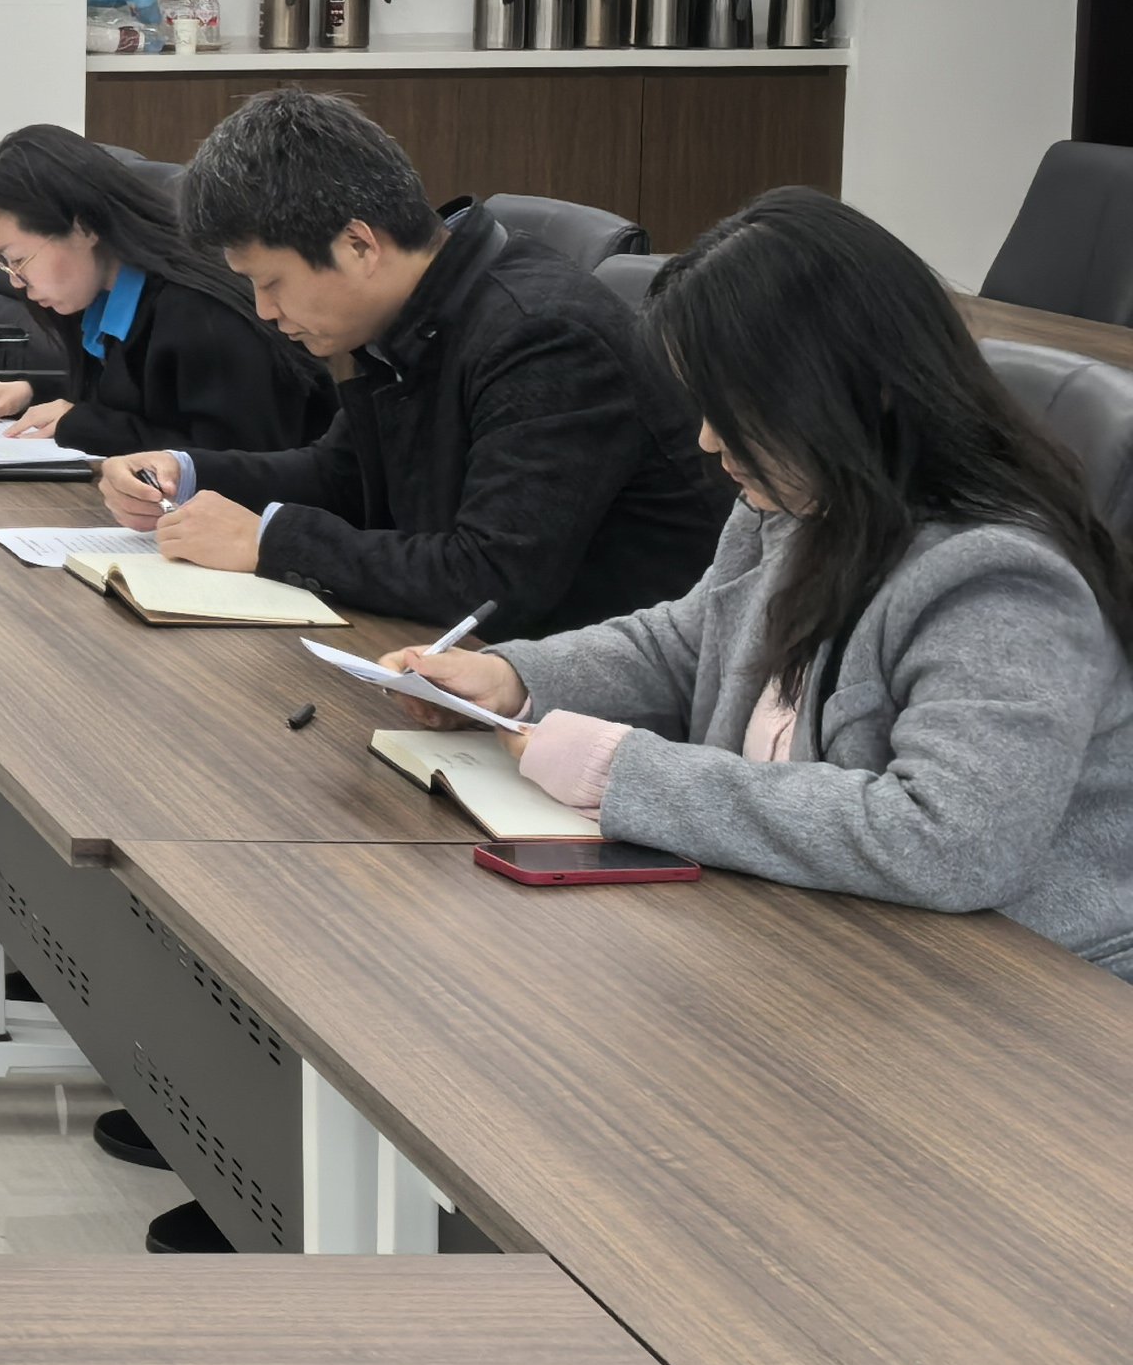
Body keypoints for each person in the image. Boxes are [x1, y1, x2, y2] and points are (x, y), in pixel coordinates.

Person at [384, 190, 1133, 975]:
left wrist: (626, 772)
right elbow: (686, 645)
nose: (710, 441)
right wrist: (513, 678)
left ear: (854, 387)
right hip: (814, 929)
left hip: (1011, 986)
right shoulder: (794, 503)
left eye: (736, 410)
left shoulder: (999, 579)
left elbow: (948, 841)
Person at [96, 89, 727, 635]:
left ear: (358, 245)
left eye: (273, 282)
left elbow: (490, 581)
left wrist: (266, 541)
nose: (265, 310)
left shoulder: (543, 337)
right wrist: (185, 473)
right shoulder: (418, 311)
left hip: (582, 685)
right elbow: (341, 475)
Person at [0, 125, 327, 456]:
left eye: (18, 259)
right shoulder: (103, 303)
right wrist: (31, 393)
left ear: (83, 227)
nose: (15, 281)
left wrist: (84, 424)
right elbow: (136, 402)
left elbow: (235, 459)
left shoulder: (201, 315)